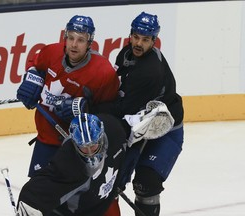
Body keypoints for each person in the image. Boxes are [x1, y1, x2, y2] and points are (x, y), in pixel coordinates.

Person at [59, 12, 184, 215]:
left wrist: (88, 107)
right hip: (137, 124)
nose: (138, 43)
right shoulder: (126, 54)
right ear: (130, 34)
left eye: (145, 40)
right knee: (113, 179)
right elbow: (117, 96)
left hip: (162, 129)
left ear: (154, 41)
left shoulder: (150, 72)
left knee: (147, 183)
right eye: (135, 37)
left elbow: (123, 110)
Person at [16, 15, 120, 178]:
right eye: (70, 38)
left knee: (72, 200)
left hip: (80, 147)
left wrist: (86, 108)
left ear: (89, 43)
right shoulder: (51, 52)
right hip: (45, 139)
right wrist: (32, 78)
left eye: (80, 40)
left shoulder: (103, 72)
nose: (74, 44)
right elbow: (35, 65)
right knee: (39, 194)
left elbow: (112, 111)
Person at [17, 113, 127, 216]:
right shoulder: (70, 163)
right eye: (83, 147)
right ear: (74, 143)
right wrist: (28, 205)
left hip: (98, 207)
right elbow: (34, 191)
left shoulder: (115, 131)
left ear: (101, 137)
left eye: (93, 146)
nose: (89, 153)